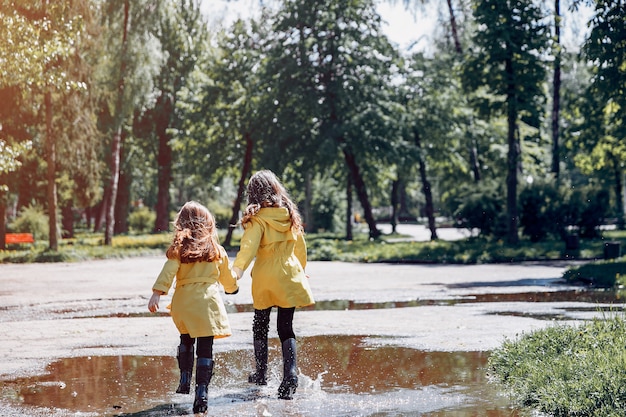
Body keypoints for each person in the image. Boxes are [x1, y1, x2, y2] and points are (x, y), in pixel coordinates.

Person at [148, 201, 239, 413]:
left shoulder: (179, 249)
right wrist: (233, 287)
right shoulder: (217, 250)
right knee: (205, 347)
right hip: (207, 304)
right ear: (208, 225)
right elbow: (228, 280)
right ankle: (202, 393)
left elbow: (168, 272)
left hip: (184, 303)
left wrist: (157, 293)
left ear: (181, 224)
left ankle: (184, 379)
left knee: (186, 338)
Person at [232, 170, 315, 400]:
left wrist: (236, 271)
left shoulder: (257, 219)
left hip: (266, 277)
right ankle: (290, 375)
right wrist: (302, 270)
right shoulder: (289, 215)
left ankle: (261, 373)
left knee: (260, 324)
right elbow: (300, 247)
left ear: (253, 194)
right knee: (286, 327)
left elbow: (248, 248)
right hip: (289, 274)